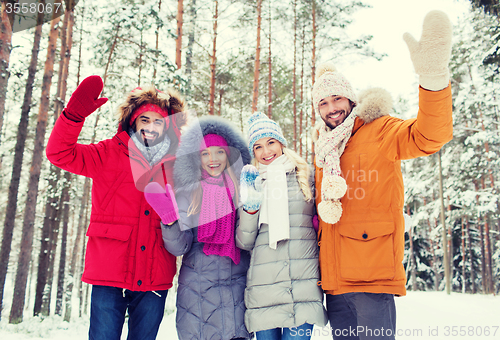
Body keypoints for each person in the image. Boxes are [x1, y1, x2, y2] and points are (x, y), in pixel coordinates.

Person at [311, 10, 453, 340]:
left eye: (337, 99)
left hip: (371, 278)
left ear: (350, 98)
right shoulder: (324, 149)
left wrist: (432, 81)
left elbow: (429, 136)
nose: (332, 108)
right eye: (323, 103)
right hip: (335, 283)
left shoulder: (380, 129)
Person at [45, 75, 187, 340]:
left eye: (159, 121)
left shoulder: (178, 164)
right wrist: (73, 117)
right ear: (132, 121)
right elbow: (59, 153)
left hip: (155, 275)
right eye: (145, 119)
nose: (151, 127)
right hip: (109, 272)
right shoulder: (109, 152)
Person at [144, 116, 252, 340]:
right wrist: (170, 220)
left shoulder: (243, 192)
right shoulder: (189, 193)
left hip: (237, 293)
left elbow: (249, 240)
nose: (213, 159)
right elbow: (179, 247)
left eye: (219, 151)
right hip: (197, 296)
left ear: (229, 154)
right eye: (205, 153)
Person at [236, 112, 328, 340]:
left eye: (270, 143)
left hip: (302, 286)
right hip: (264, 288)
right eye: (258, 147)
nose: (266, 152)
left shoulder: (306, 176)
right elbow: (245, 242)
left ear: (281, 143)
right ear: (253, 152)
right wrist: (250, 208)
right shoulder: (252, 181)